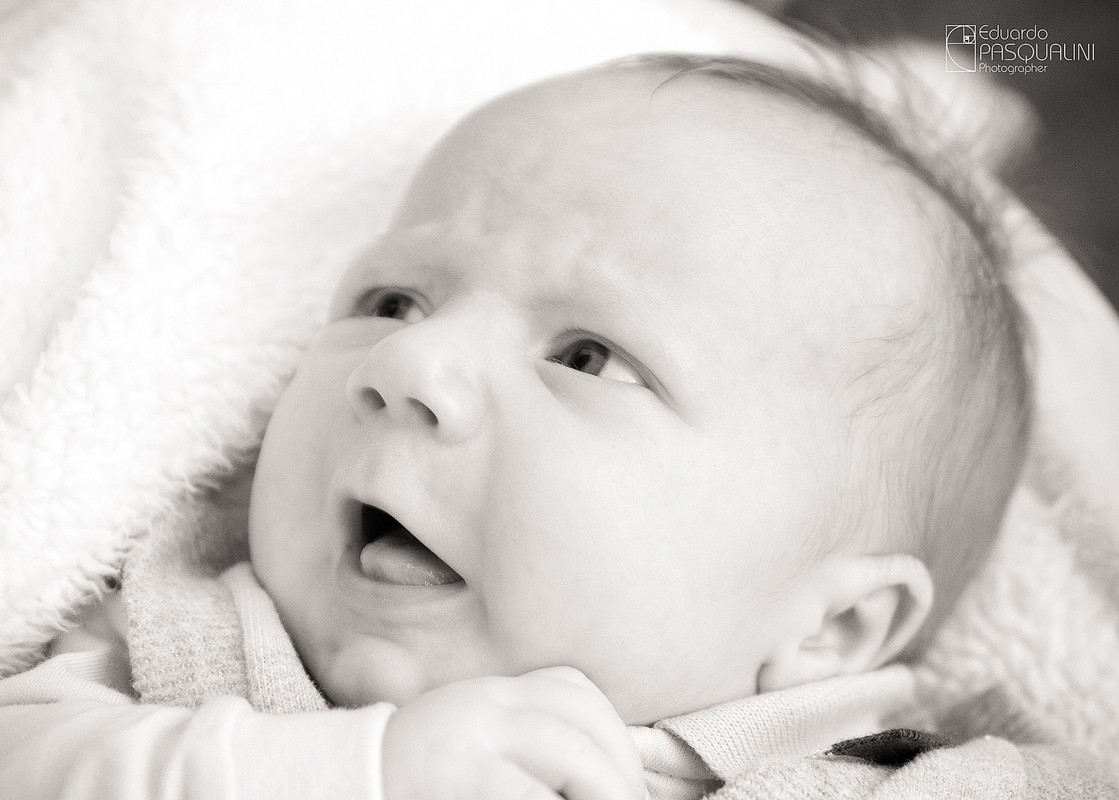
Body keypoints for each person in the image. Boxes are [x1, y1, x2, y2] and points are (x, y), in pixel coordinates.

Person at [4, 52, 1079, 799]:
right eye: (392, 301)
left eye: (586, 357)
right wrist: (358, 774)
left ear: (830, 631)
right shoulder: (184, 649)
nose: (407, 363)